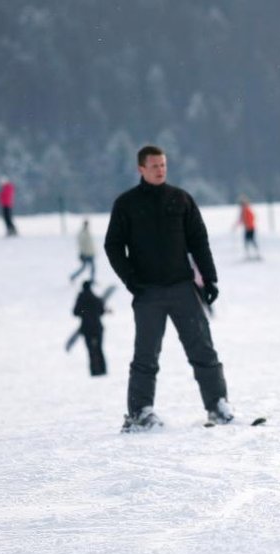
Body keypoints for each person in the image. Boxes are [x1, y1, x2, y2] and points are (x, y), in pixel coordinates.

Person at [104, 145, 234, 432]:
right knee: (146, 355)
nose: (160, 170)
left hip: (182, 289)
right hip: (148, 293)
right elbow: (112, 246)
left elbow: (199, 241)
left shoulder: (180, 199)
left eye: (163, 165)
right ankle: (140, 412)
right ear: (141, 169)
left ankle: (218, 405)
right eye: (154, 166)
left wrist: (210, 279)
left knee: (203, 349)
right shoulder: (126, 204)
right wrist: (131, 279)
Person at [73, 281, 108, 376]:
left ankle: (94, 371)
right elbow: (101, 311)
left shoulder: (81, 299)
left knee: (91, 350)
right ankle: (102, 370)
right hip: (98, 328)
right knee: (99, 349)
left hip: (87, 328)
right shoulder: (95, 298)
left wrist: (84, 313)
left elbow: (75, 312)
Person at [233, 195, 261, 260]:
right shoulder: (243, 211)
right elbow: (241, 220)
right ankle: (249, 254)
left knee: (251, 240)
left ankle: (256, 253)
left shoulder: (247, 209)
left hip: (250, 228)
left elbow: (252, 217)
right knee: (247, 241)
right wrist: (236, 225)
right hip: (247, 228)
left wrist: (248, 223)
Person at [69, 219, 96, 283]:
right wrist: (82, 253)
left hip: (90, 253)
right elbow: (81, 244)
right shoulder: (82, 233)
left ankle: (92, 279)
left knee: (91, 268)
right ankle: (73, 276)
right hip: (86, 254)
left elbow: (90, 243)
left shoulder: (87, 232)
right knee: (85, 268)